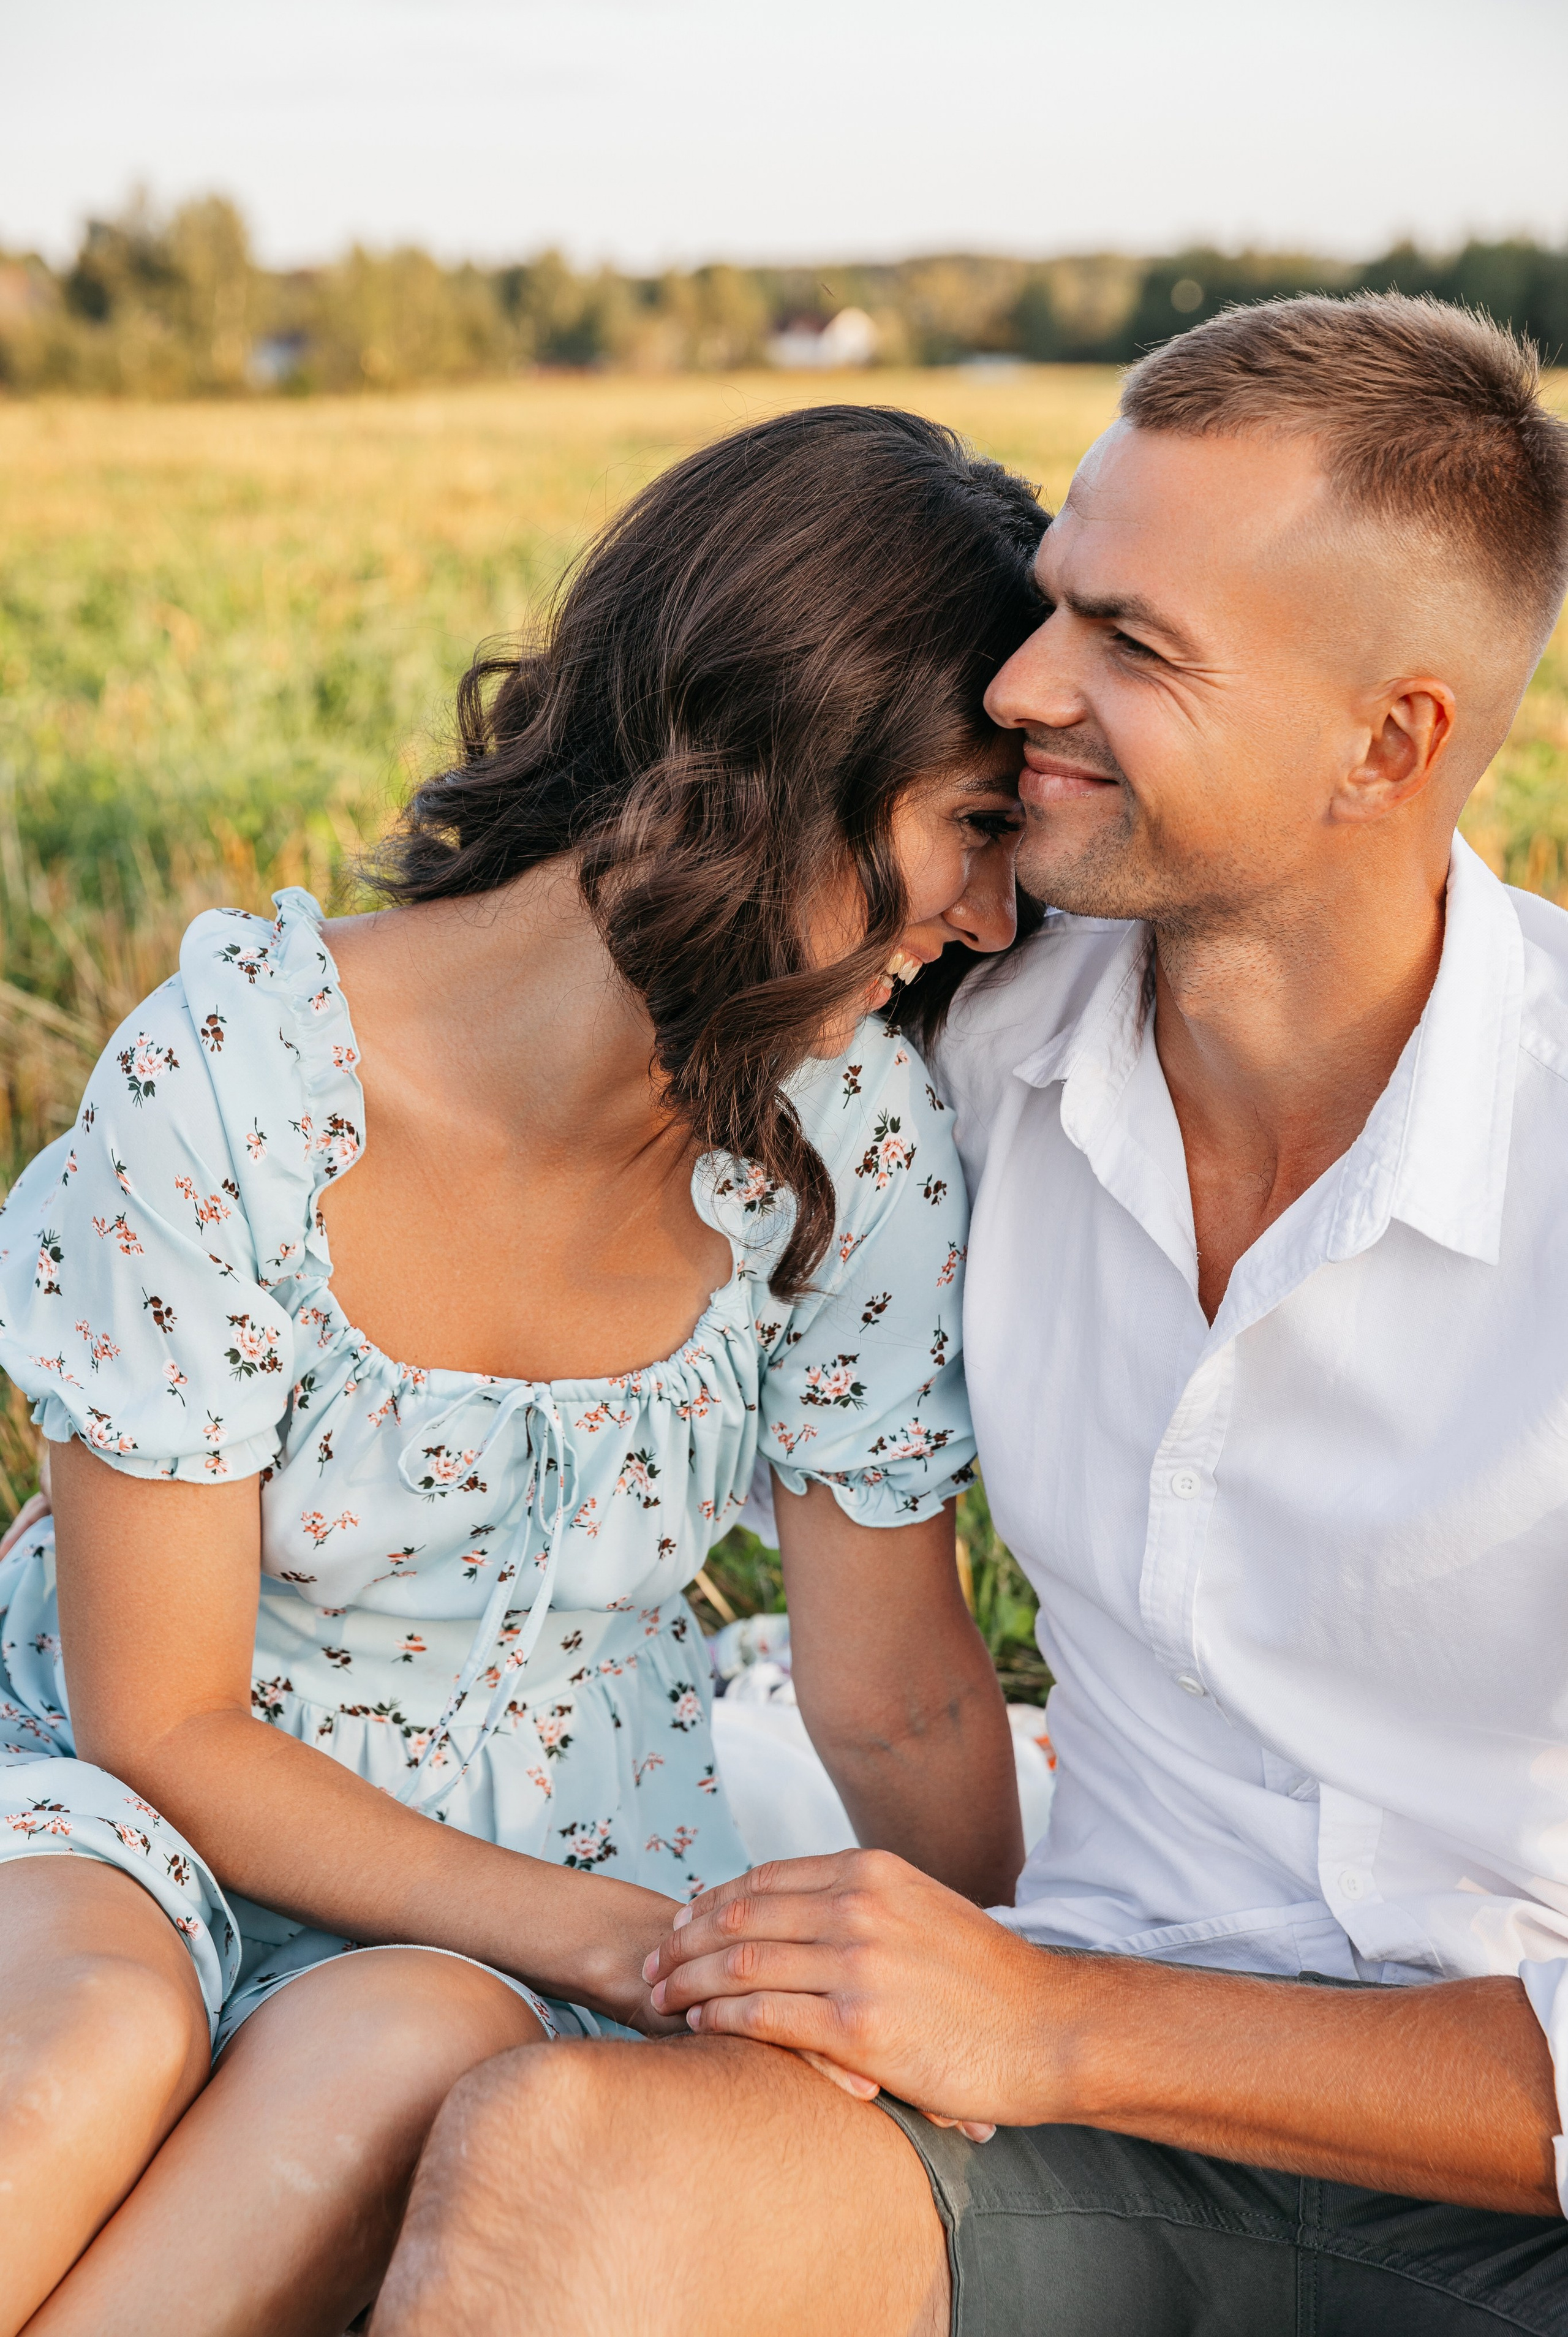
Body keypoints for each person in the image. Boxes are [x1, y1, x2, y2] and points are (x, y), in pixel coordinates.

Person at [371, 296, 1568, 2337]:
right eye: (1057, 603)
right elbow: (514, 1144)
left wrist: (1061, 2021)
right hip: (1057, 2129)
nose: (1025, 681)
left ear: (1393, 741)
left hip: (1482, 2178)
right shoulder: (951, 1042)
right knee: (558, 2169)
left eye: (1137, 646)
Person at [0, 404, 1048, 2337]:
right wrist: (633, 1936)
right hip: (132, 1801)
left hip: (542, 1841)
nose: (996, 915)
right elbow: (158, 1714)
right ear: (788, 750)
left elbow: (895, 1702)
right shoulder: (230, 1080)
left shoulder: (858, 1148)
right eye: (977, 824)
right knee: (76, 2067)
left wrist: (1011, 1987)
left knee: (396, 2055)